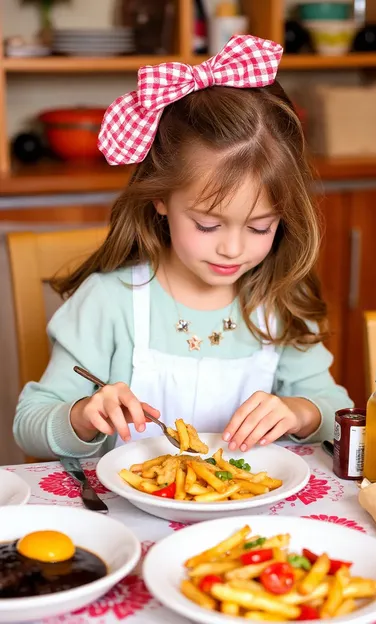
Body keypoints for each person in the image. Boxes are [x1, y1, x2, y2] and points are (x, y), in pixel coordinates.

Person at [13, 35, 353, 460]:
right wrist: (82, 415)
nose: (232, 249)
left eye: (260, 228)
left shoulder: (276, 299)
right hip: (129, 518)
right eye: (208, 225)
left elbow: (337, 410)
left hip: (244, 518)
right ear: (161, 198)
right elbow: (29, 422)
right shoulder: (109, 302)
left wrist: (300, 412)